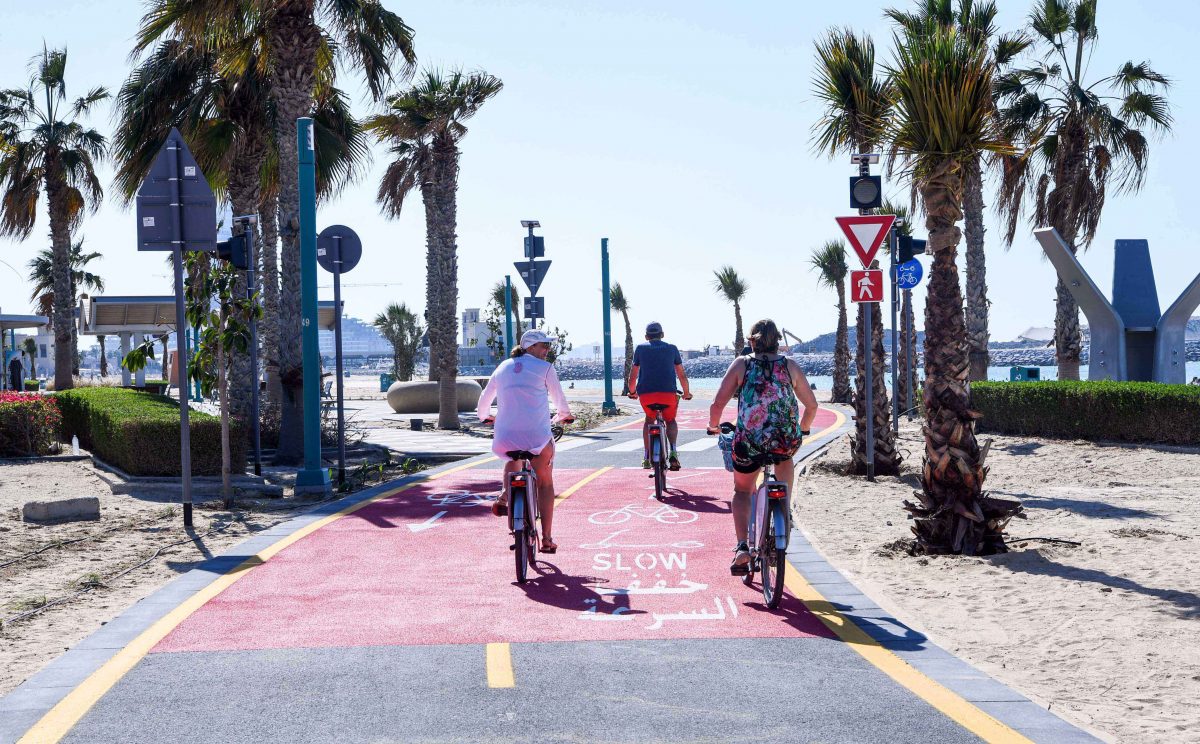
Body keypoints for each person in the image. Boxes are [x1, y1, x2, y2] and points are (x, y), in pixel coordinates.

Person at [707, 319, 818, 574]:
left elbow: (717, 405)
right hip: (784, 442)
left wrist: (714, 426)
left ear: (752, 341)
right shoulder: (790, 366)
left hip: (750, 443)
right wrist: (803, 429)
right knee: (784, 460)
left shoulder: (742, 365)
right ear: (778, 340)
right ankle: (784, 511)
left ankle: (743, 547)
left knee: (742, 491)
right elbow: (812, 406)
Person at [477, 329, 574, 553]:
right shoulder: (546, 368)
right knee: (545, 482)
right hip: (537, 437)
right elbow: (560, 402)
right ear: (530, 347)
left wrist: (485, 417)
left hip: (505, 436)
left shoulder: (502, 367)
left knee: (512, 456)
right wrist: (564, 416)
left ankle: (505, 494)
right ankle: (547, 538)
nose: (547, 350)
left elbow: (484, 401)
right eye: (543, 345)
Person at [626, 321, 692, 470]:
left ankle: (646, 457)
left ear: (646, 336)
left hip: (646, 395)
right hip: (668, 395)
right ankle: (673, 452)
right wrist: (686, 393)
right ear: (662, 335)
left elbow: (632, 376)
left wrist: (632, 392)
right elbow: (681, 375)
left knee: (649, 419)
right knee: (671, 420)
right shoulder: (672, 349)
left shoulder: (640, 349)